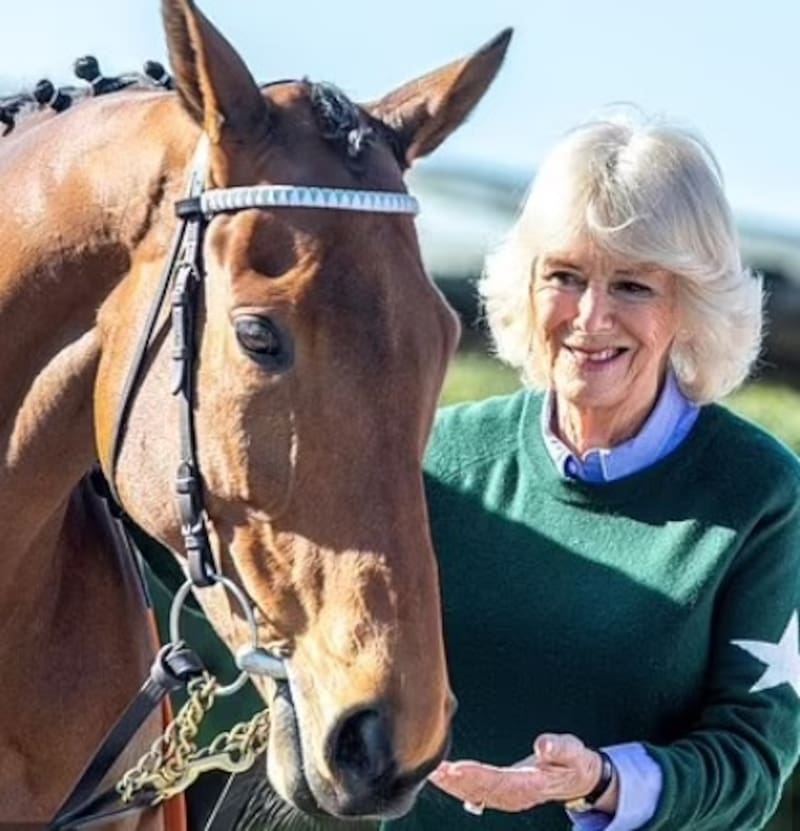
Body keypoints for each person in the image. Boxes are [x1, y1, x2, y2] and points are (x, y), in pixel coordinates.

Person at [383, 114, 800, 830]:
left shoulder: (762, 495)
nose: (591, 316)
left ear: (690, 305)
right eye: (565, 276)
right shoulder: (435, 460)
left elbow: (753, 761)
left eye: (633, 286)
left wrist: (600, 781)